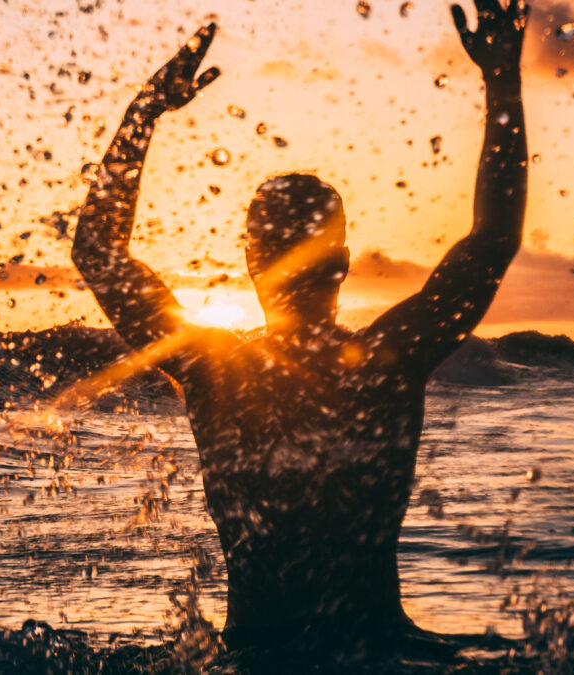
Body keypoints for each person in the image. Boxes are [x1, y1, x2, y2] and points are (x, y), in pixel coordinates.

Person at [71, 0, 528, 652]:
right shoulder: (386, 359)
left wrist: (145, 111)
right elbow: (491, 242)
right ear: (343, 261)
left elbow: (96, 252)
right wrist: (502, 81)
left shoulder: (213, 370)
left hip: (257, 654)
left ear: (250, 261)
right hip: (379, 650)